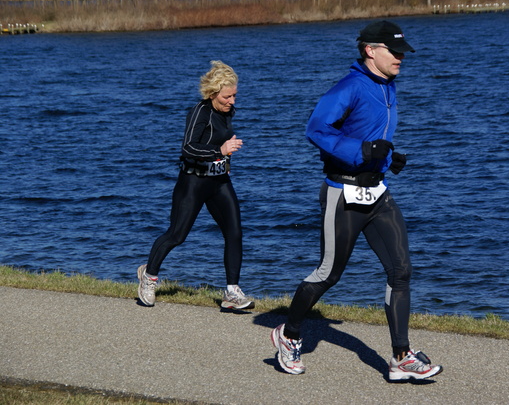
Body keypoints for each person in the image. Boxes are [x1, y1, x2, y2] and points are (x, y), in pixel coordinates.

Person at [270, 21, 442, 381]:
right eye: (394, 52)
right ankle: (288, 334)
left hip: (376, 192)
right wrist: (361, 150)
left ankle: (400, 357)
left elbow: (372, 134)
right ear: (370, 50)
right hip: (343, 194)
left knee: (401, 270)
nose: (401, 58)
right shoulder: (348, 87)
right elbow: (316, 129)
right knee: (328, 273)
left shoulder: (387, 86)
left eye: (403, 52)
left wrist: (386, 157)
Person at [137, 60, 253, 310]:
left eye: (234, 95)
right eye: (227, 96)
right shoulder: (200, 112)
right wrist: (219, 150)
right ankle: (149, 276)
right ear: (213, 93)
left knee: (234, 233)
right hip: (193, 182)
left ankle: (232, 293)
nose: (232, 101)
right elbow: (188, 147)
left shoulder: (227, 112)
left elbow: (219, 145)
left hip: (219, 181)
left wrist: (226, 157)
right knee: (177, 235)